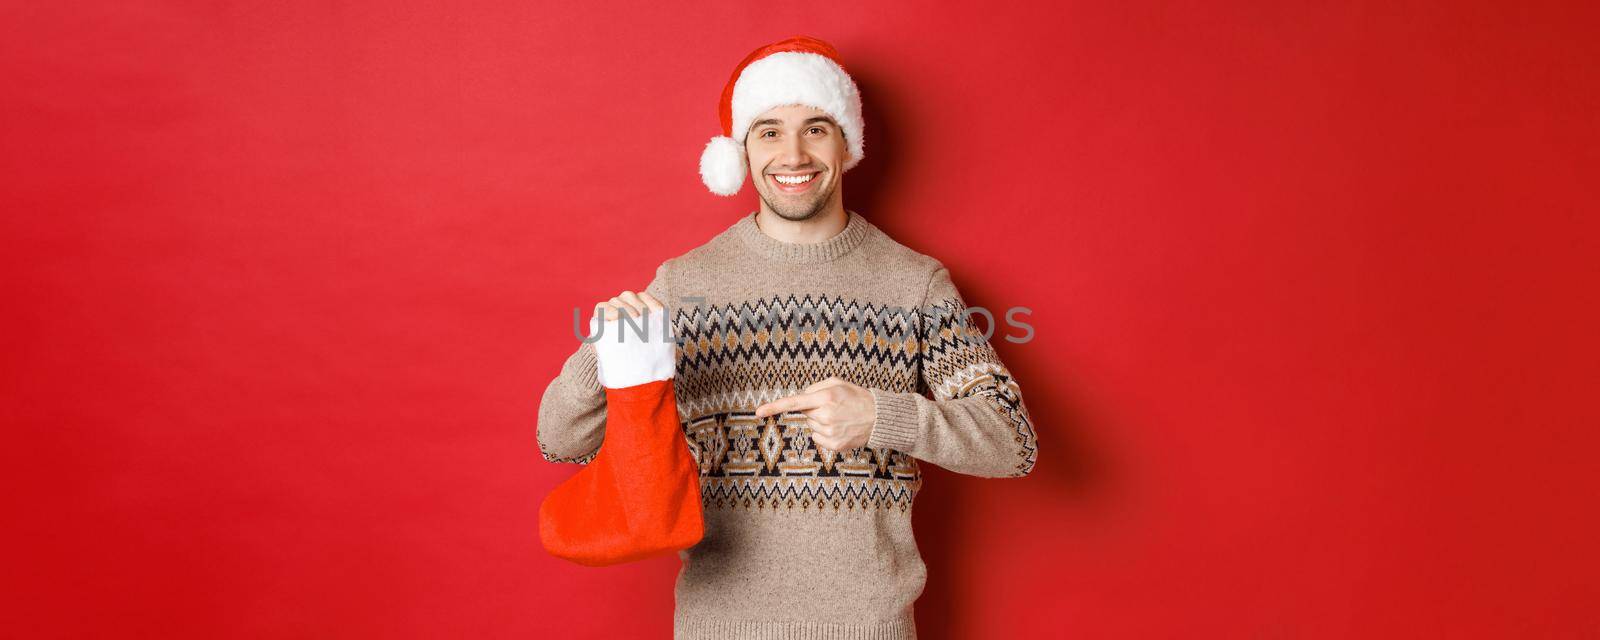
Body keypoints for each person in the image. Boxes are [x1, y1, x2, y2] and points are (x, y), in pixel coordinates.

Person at [536, 35, 1039, 640]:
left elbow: (1013, 443)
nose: (793, 154)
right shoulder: (685, 283)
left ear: (846, 142)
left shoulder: (915, 284)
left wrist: (885, 416)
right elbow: (559, 442)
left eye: (816, 128)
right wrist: (603, 351)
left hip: (869, 627)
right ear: (741, 151)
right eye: (769, 130)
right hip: (717, 626)